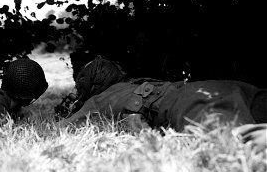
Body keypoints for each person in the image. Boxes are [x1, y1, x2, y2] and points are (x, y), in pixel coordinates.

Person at [61, 55, 267, 152]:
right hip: (224, 88)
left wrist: (70, 110)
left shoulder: (98, 100)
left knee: (234, 144)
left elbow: (64, 128)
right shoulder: (134, 83)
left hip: (191, 101)